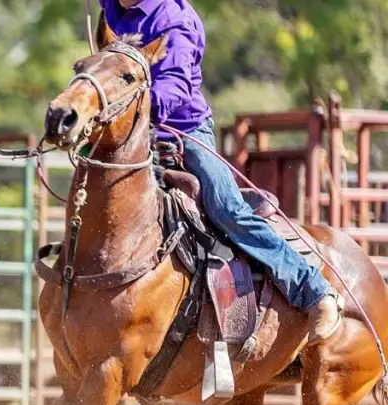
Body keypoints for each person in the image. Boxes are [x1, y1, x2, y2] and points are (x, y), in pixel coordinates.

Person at [99, 0, 343, 342]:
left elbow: (175, 84)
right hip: (130, 130)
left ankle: (315, 292)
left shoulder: (175, 20)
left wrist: (127, 111)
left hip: (183, 129)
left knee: (226, 207)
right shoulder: (111, 5)